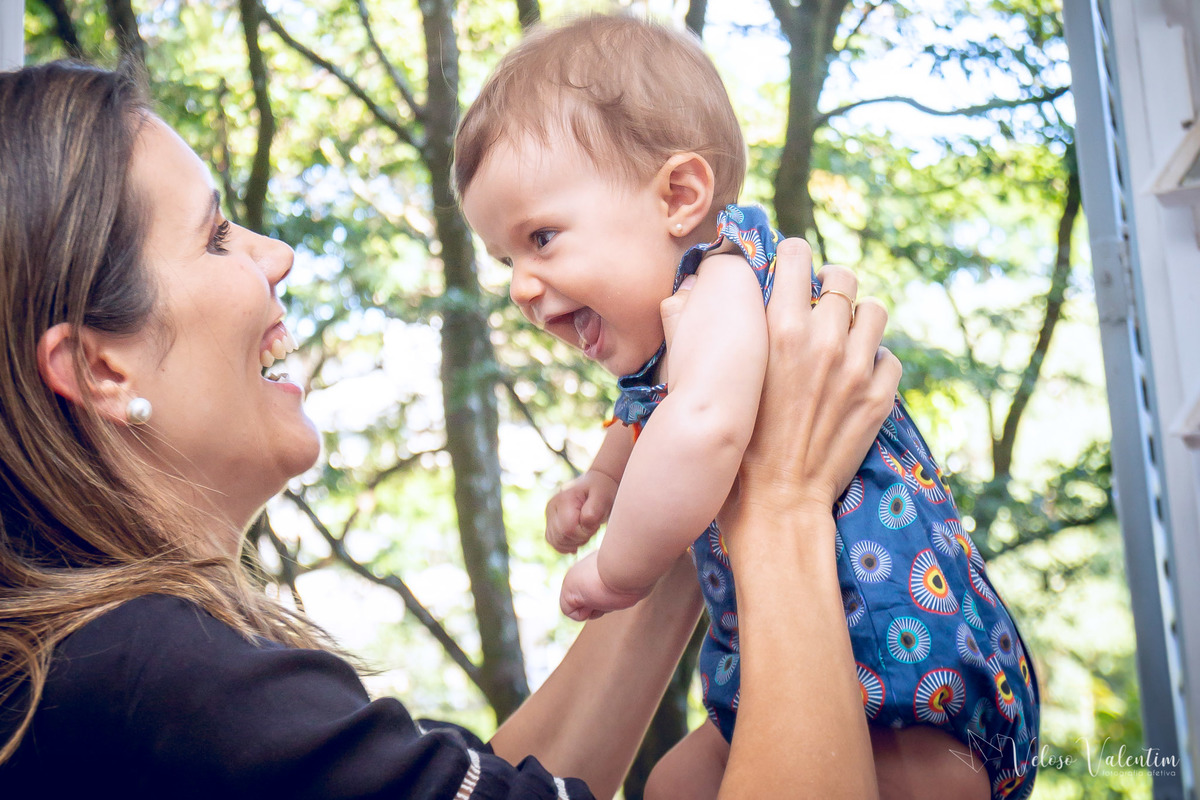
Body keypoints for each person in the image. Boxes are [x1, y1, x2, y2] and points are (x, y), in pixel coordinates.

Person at [0, 60, 899, 798]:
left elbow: (500, 789)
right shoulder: (168, 684)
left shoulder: (84, 676)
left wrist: (690, 507)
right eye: (216, 237)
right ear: (99, 368)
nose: (275, 256)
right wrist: (783, 506)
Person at [454, 14, 1038, 800]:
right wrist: (603, 481)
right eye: (505, 260)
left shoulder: (726, 278)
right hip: (795, 658)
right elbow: (650, 413)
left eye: (543, 238)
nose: (522, 286)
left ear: (680, 196)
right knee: (668, 787)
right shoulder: (679, 327)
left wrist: (619, 566)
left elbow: (702, 425)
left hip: (899, 667)